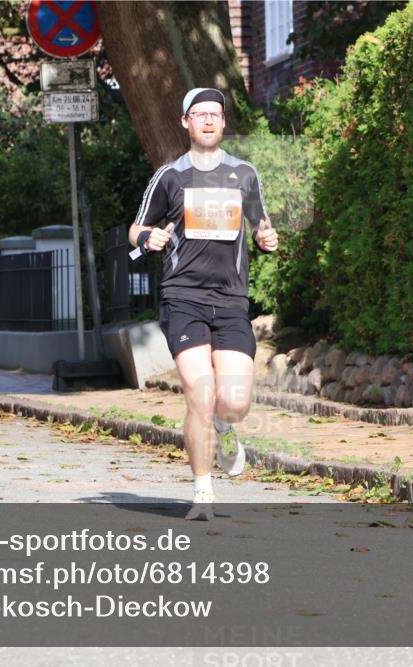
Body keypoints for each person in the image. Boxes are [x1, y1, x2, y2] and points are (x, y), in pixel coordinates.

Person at [128, 88, 279, 520]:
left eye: (215, 114)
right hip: (183, 298)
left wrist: (266, 237)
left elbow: (261, 225)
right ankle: (203, 492)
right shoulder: (169, 177)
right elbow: (135, 229)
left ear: (224, 122)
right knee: (200, 391)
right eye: (200, 114)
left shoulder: (244, 174)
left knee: (233, 402)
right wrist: (149, 237)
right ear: (186, 122)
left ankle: (225, 427)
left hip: (230, 301)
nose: (209, 120)